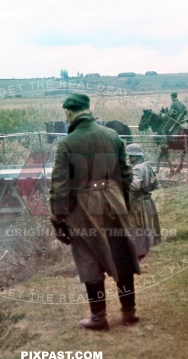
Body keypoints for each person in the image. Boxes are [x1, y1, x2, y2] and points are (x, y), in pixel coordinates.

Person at [49, 93, 140, 331]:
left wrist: (58, 219)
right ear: (89, 109)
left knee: (89, 260)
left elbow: (60, 186)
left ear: (68, 113)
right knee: (121, 256)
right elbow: (126, 175)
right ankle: (129, 312)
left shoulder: (67, 144)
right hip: (114, 202)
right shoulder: (113, 136)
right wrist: (123, 204)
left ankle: (99, 318)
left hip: (84, 209)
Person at [126, 143, 162, 259]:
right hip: (147, 199)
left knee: (137, 226)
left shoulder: (136, 169)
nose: (129, 159)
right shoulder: (147, 166)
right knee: (148, 226)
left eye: (130, 156)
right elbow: (155, 184)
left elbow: (134, 186)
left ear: (135, 156)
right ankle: (147, 247)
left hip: (138, 202)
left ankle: (139, 253)